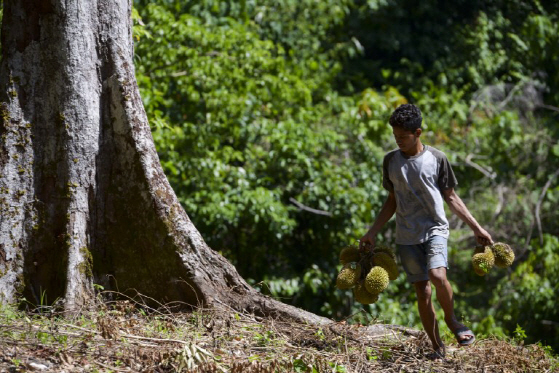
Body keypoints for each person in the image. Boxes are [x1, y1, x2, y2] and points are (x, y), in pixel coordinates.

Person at [359, 103, 493, 359]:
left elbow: (451, 197)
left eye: (403, 137)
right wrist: (372, 231)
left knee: (437, 275)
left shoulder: (437, 158)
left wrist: (476, 227)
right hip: (406, 235)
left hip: (435, 228)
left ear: (418, 133)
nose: (398, 141)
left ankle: (453, 320)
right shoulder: (390, 160)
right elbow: (392, 200)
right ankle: (437, 347)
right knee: (422, 292)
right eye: (395, 136)